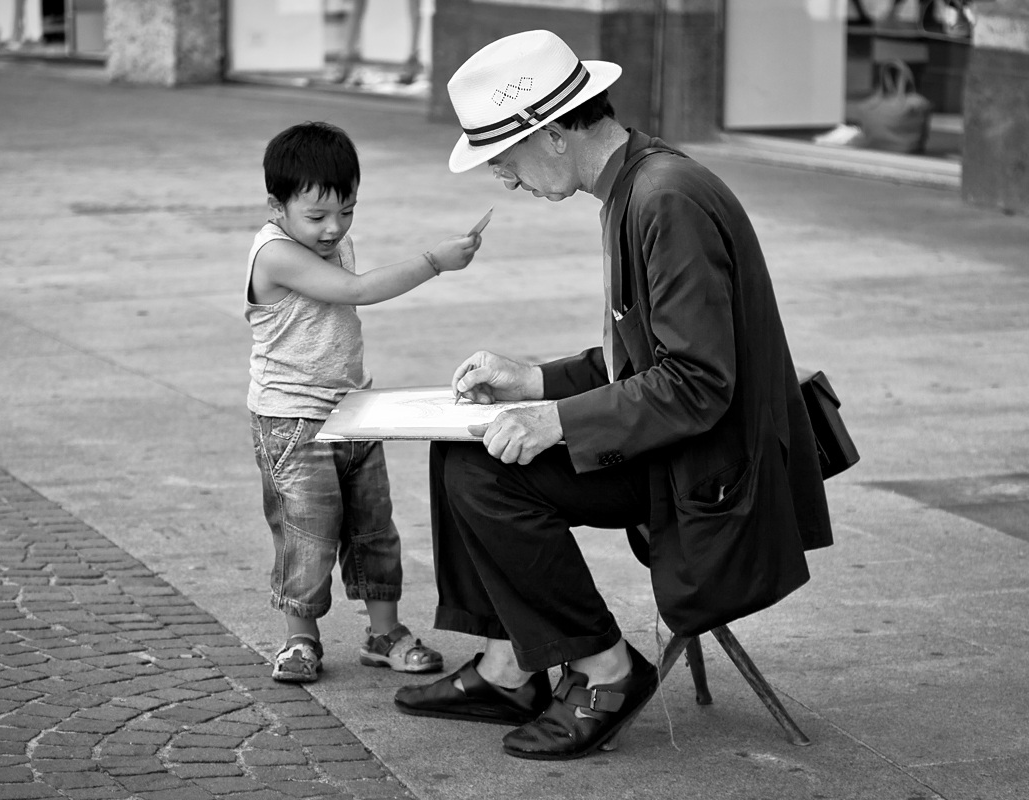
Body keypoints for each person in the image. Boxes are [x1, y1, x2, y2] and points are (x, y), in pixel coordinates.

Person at [393, 30, 834, 760]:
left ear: (554, 135)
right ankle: (511, 666)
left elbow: (697, 383)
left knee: (483, 476)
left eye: (503, 157)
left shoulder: (665, 198)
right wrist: (533, 381)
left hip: (714, 472)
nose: (502, 178)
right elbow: (645, 358)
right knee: (462, 448)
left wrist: (555, 422)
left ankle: (603, 668)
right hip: (689, 447)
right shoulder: (636, 186)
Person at [246, 121, 481, 683]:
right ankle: (300, 639)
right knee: (307, 534)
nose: (334, 229)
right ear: (276, 206)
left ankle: (385, 632)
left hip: (351, 411)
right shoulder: (276, 254)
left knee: (375, 529)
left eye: (346, 211)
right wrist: (434, 261)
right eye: (318, 216)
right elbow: (356, 292)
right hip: (293, 422)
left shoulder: (325, 239)